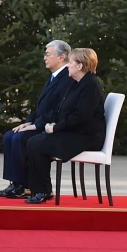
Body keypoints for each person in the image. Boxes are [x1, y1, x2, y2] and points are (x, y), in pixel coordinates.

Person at [22, 48, 105, 204]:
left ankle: (42, 191)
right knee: (34, 141)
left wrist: (55, 128)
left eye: (71, 63)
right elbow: (63, 110)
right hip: (75, 132)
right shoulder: (77, 83)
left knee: (38, 144)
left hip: (87, 137)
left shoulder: (91, 85)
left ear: (80, 66)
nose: (67, 66)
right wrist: (51, 124)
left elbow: (81, 117)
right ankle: (41, 190)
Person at [0, 40, 73, 199]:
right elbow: (41, 107)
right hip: (41, 122)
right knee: (10, 135)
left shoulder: (67, 78)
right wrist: (29, 121)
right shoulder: (54, 76)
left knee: (21, 138)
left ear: (61, 57)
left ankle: (26, 186)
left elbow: (57, 110)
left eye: (48, 54)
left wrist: (36, 126)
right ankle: (16, 183)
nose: (44, 57)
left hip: (53, 127)